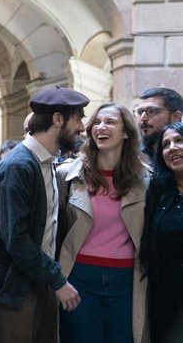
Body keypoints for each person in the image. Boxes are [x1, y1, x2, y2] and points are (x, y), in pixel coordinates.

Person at [0, 86, 89, 343]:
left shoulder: (46, 161)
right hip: (14, 287)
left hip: (41, 282)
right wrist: (57, 280)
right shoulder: (18, 166)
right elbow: (16, 239)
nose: (82, 127)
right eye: (78, 118)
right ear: (58, 119)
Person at [56, 102, 149, 343]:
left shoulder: (146, 179)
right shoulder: (67, 175)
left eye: (110, 122)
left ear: (126, 131)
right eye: (96, 122)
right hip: (78, 275)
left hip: (127, 277)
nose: (101, 127)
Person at [143, 122, 183, 342]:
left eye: (179, 140)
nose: (172, 148)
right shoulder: (157, 192)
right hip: (164, 298)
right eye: (166, 144)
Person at [136, 87, 183, 161]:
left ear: (176, 117)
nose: (143, 118)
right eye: (140, 112)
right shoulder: (130, 157)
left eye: (151, 111)